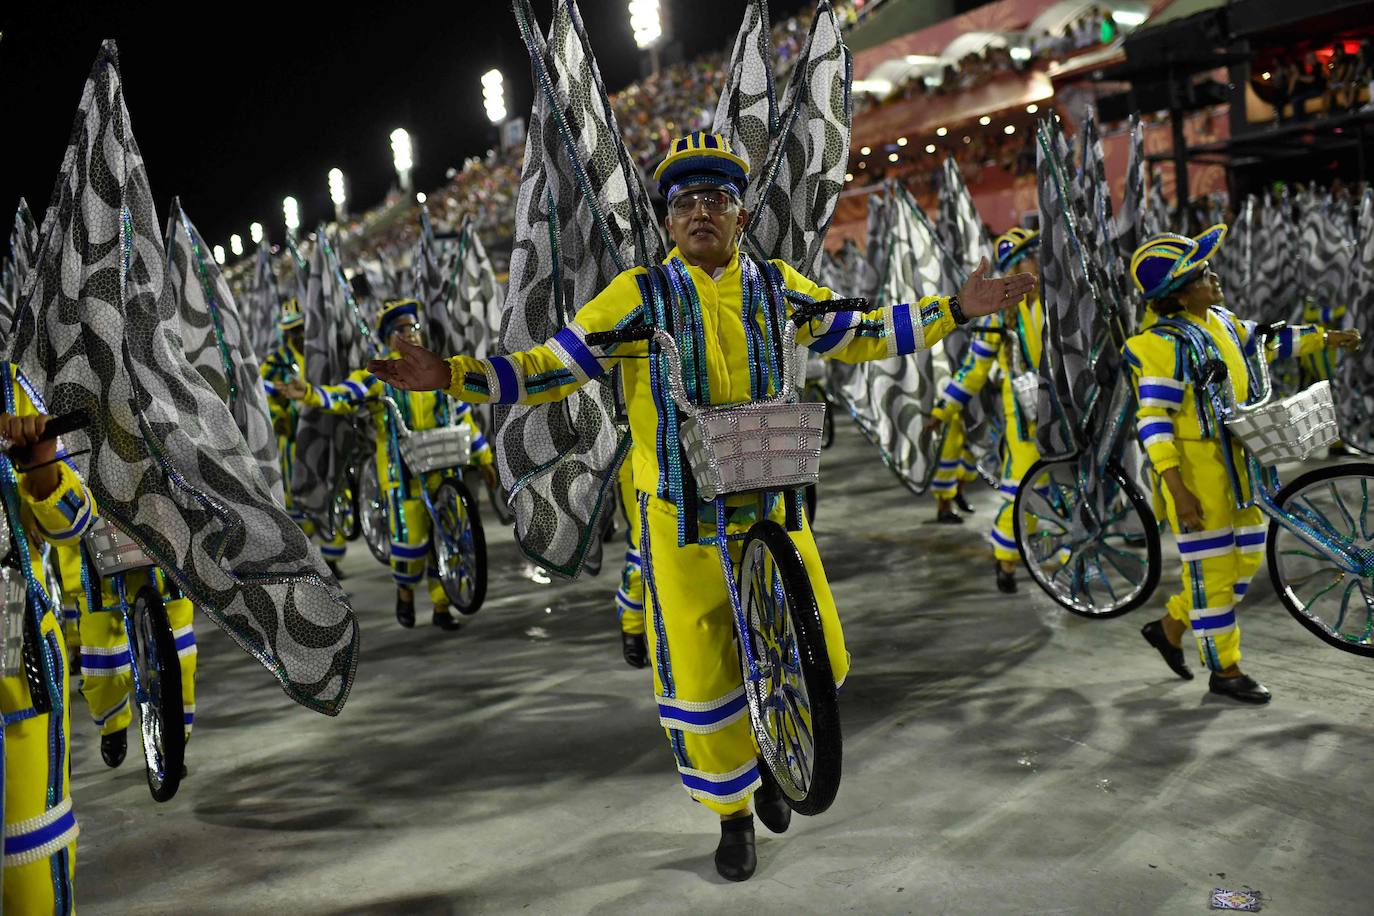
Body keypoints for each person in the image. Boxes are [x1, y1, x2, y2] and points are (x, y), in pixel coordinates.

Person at [367, 131, 1035, 881]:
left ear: (742, 214)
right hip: (678, 517)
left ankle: (782, 753)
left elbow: (861, 331)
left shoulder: (778, 284)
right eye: (685, 200)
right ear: (668, 220)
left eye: (717, 197)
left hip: (771, 499)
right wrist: (453, 374)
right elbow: (551, 367)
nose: (701, 210)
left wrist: (957, 307)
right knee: (704, 674)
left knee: (817, 650)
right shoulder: (639, 296)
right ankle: (733, 815)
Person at [1126, 226, 1361, 703]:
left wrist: (1326, 339)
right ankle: (1226, 670)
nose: (1214, 277)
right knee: (1212, 574)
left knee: (1248, 560)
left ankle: (1170, 626)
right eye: (1203, 273)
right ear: (1179, 290)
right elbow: (1152, 421)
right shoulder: (1158, 347)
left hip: (1246, 463)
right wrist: (1177, 488)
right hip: (1196, 472)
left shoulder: (1224, 322)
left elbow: (1270, 341)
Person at [282, 299, 497, 631]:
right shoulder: (383, 374)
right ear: (389, 337)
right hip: (403, 473)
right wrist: (309, 393)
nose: (410, 334)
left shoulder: (436, 367)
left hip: (443, 464)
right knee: (411, 543)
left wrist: (484, 456)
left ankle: (442, 606)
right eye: (401, 329)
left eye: (413, 326)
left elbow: (462, 414)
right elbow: (343, 394)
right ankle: (405, 594)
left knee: (447, 535)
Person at [0, 369, 98, 912]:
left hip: (8, 616)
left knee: (28, 857)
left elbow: (73, 519)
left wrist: (41, 468)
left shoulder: (14, 385)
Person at [928, 227, 1044, 593]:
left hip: (1061, 415)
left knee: (1054, 489)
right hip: (1024, 421)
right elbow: (974, 370)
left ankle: (1034, 549)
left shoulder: (1058, 301)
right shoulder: (999, 315)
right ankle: (1005, 558)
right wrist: (943, 409)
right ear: (1014, 267)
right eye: (1029, 255)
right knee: (1021, 489)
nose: (1037, 260)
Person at [259, 299, 348, 577]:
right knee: (300, 496)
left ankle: (333, 558)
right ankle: (307, 559)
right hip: (294, 441)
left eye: (300, 329)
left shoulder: (321, 355)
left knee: (332, 491)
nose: (296, 336)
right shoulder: (276, 361)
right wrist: (279, 416)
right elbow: (263, 392)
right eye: (291, 331)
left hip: (324, 434)